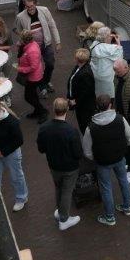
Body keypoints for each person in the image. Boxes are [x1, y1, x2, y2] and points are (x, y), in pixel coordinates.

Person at [83, 93, 130, 226]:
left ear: (97, 107)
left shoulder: (91, 127)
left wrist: (96, 157)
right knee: (123, 180)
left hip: (102, 162)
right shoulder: (120, 119)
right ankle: (127, 207)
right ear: (110, 105)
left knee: (106, 187)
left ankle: (110, 217)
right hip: (119, 157)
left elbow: (87, 151)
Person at [35, 97, 83, 231]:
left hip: (54, 165)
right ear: (67, 109)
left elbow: (41, 149)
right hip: (70, 168)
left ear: (53, 109)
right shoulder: (71, 131)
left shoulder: (44, 128)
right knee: (67, 192)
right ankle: (64, 219)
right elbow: (78, 153)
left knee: (59, 188)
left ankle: (60, 211)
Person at [0, 100, 29, 213]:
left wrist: (2, 152)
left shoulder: (11, 121)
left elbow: (19, 140)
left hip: (11, 153)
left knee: (16, 177)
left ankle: (21, 198)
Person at [16, 0, 61, 95]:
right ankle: (42, 85)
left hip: (46, 44)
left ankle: (45, 81)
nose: (30, 8)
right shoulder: (20, 17)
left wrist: (57, 42)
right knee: (36, 67)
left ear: (35, 3)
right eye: (27, 6)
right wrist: (22, 45)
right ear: (25, 6)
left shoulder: (44, 10)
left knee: (50, 64)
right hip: (32, 48)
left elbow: (52, 26)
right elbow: (20, 32)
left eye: (32, 6)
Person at [16, 28, 47, 120]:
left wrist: (20, 69)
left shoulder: (32, 51)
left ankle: (42, 112)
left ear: (24, 40)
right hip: (32, 76)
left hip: (34, 77)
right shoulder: (30, 45)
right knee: (32, 95)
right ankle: (38, 111)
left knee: (28, 97)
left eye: (20, 39)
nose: (19, 41)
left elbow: (33, 67)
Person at [89, 24, 123, 98]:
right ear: (106, 37)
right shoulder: (111, 48)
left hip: (95, 74)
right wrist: (118, 42)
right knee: (108, 95)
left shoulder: (94, 45)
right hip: (106, 77)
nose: (111, 36)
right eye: (110, 35)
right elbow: (119, 59)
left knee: (98, 92)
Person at [67, 48, 96, 135]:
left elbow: (86, 92)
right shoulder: (79, 67)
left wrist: (75, 101)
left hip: (85, 106)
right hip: (80, 103)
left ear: (78, 59)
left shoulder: (85, 73)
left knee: (85, 126)